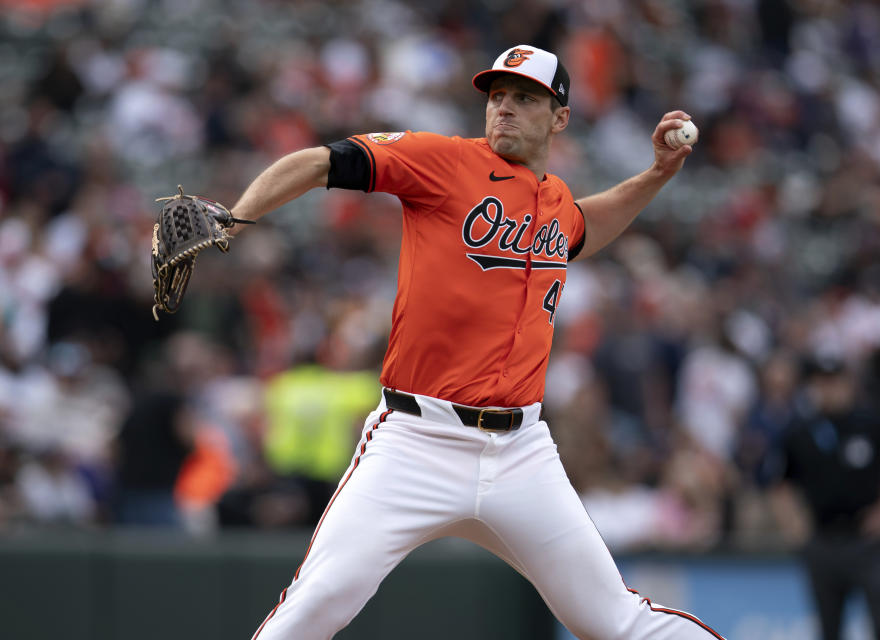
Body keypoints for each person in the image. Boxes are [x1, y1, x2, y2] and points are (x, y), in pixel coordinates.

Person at [230, 45, 722, 639]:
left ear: (559, 117)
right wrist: (237, 217)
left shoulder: (555, 203)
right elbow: (319, 162)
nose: (505, 109)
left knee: (615, 621)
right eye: (497, 97)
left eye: (524, 98)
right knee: (315, 606)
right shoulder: (442, 161)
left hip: (521, 453)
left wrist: (656, 176)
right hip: (416, 440)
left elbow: (585, 229)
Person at [771, 355, 880, 640]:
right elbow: (778, 481)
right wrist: (795, 528)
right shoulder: (801, 431)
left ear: (847, 383)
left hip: (866, 538)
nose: (828, 389)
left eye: (834, 381)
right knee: (829, 628)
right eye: (821, 382)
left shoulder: (870, 421)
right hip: (823, 540)